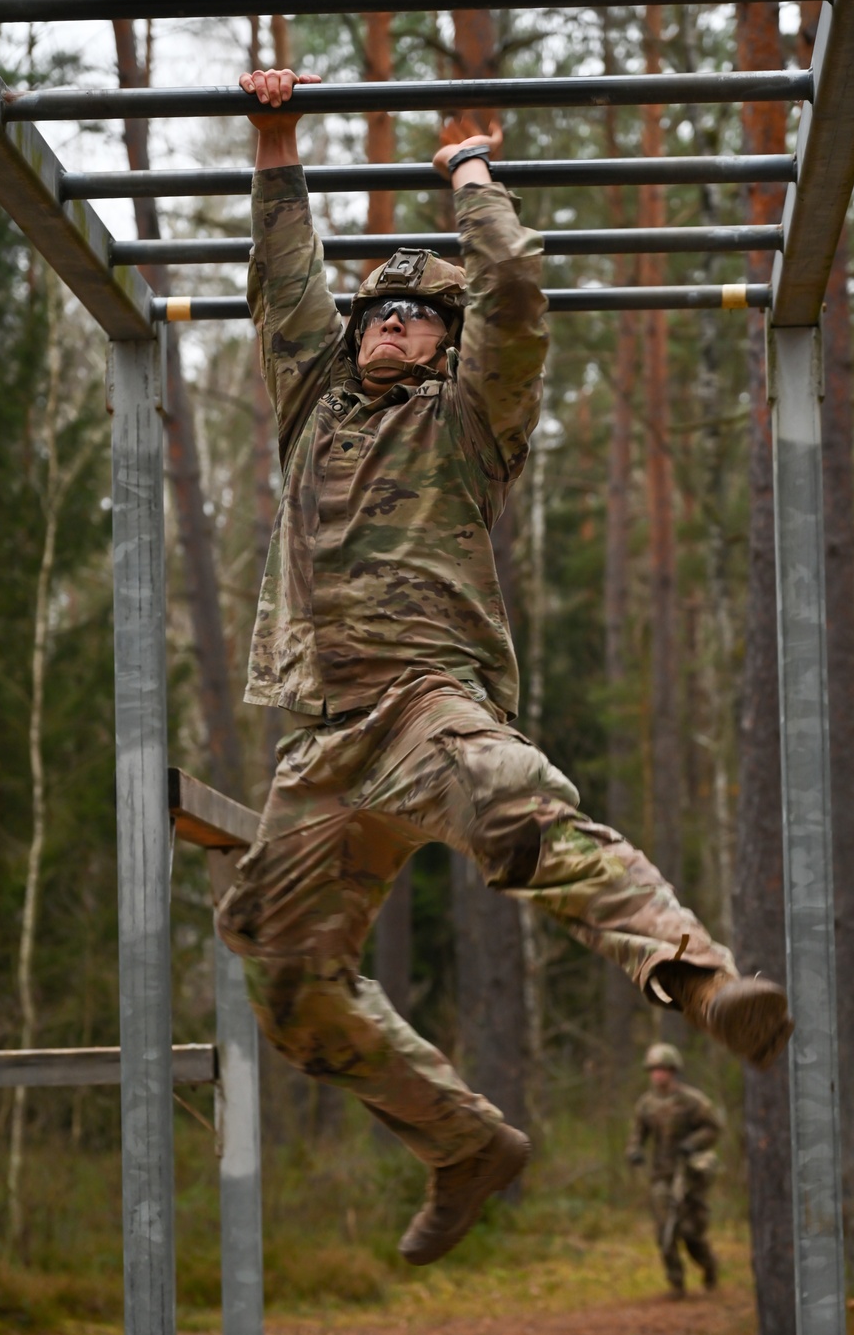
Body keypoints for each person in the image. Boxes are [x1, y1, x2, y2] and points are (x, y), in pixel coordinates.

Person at [216, 65, 793, 1268]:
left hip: (428, 703)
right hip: (323, 738)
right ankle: (463, 1143)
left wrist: (470, 178)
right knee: (278, 967)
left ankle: (696, 979)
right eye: (378, 310)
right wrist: (275, 142)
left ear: (449, 342)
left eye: (417, 315)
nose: (389, 323)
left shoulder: (471, 418)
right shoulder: (313, 407)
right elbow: (282, 289)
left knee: (511, 802)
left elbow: (517, 289)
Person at [626, 1043, 722, 1298]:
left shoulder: (692, 1102)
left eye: (664, 1070)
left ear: (673, 1071)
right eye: (654, 1070)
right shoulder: (646, 1105)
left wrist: (693, 1144)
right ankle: (676, 1283)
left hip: (690, 1175)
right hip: (661, 1174)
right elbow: (637, 1135)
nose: (659, 1075)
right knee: (664, 1230)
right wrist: (634, 1151)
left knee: (691, 1232)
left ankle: (709, 1267)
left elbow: (713, 1127)